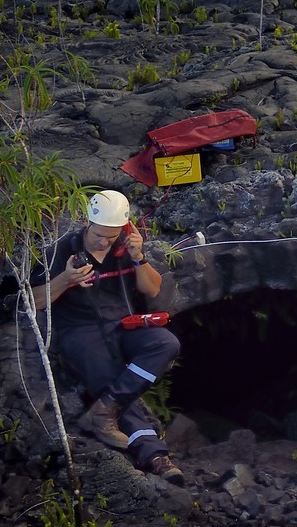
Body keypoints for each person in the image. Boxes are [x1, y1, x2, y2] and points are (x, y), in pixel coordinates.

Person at [29, 189, 184, 484]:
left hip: (122, 326)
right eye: (99, 235)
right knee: (110, 377)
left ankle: (104, 409)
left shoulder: (124, 248)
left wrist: (138, 257)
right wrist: (66, 279)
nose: (104, 242)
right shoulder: (61, 251)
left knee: (166, 343)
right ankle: (155, 456)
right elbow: (33, 301)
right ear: (88, 222)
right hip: (80, 334)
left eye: (111, 236)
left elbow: (152, 290)